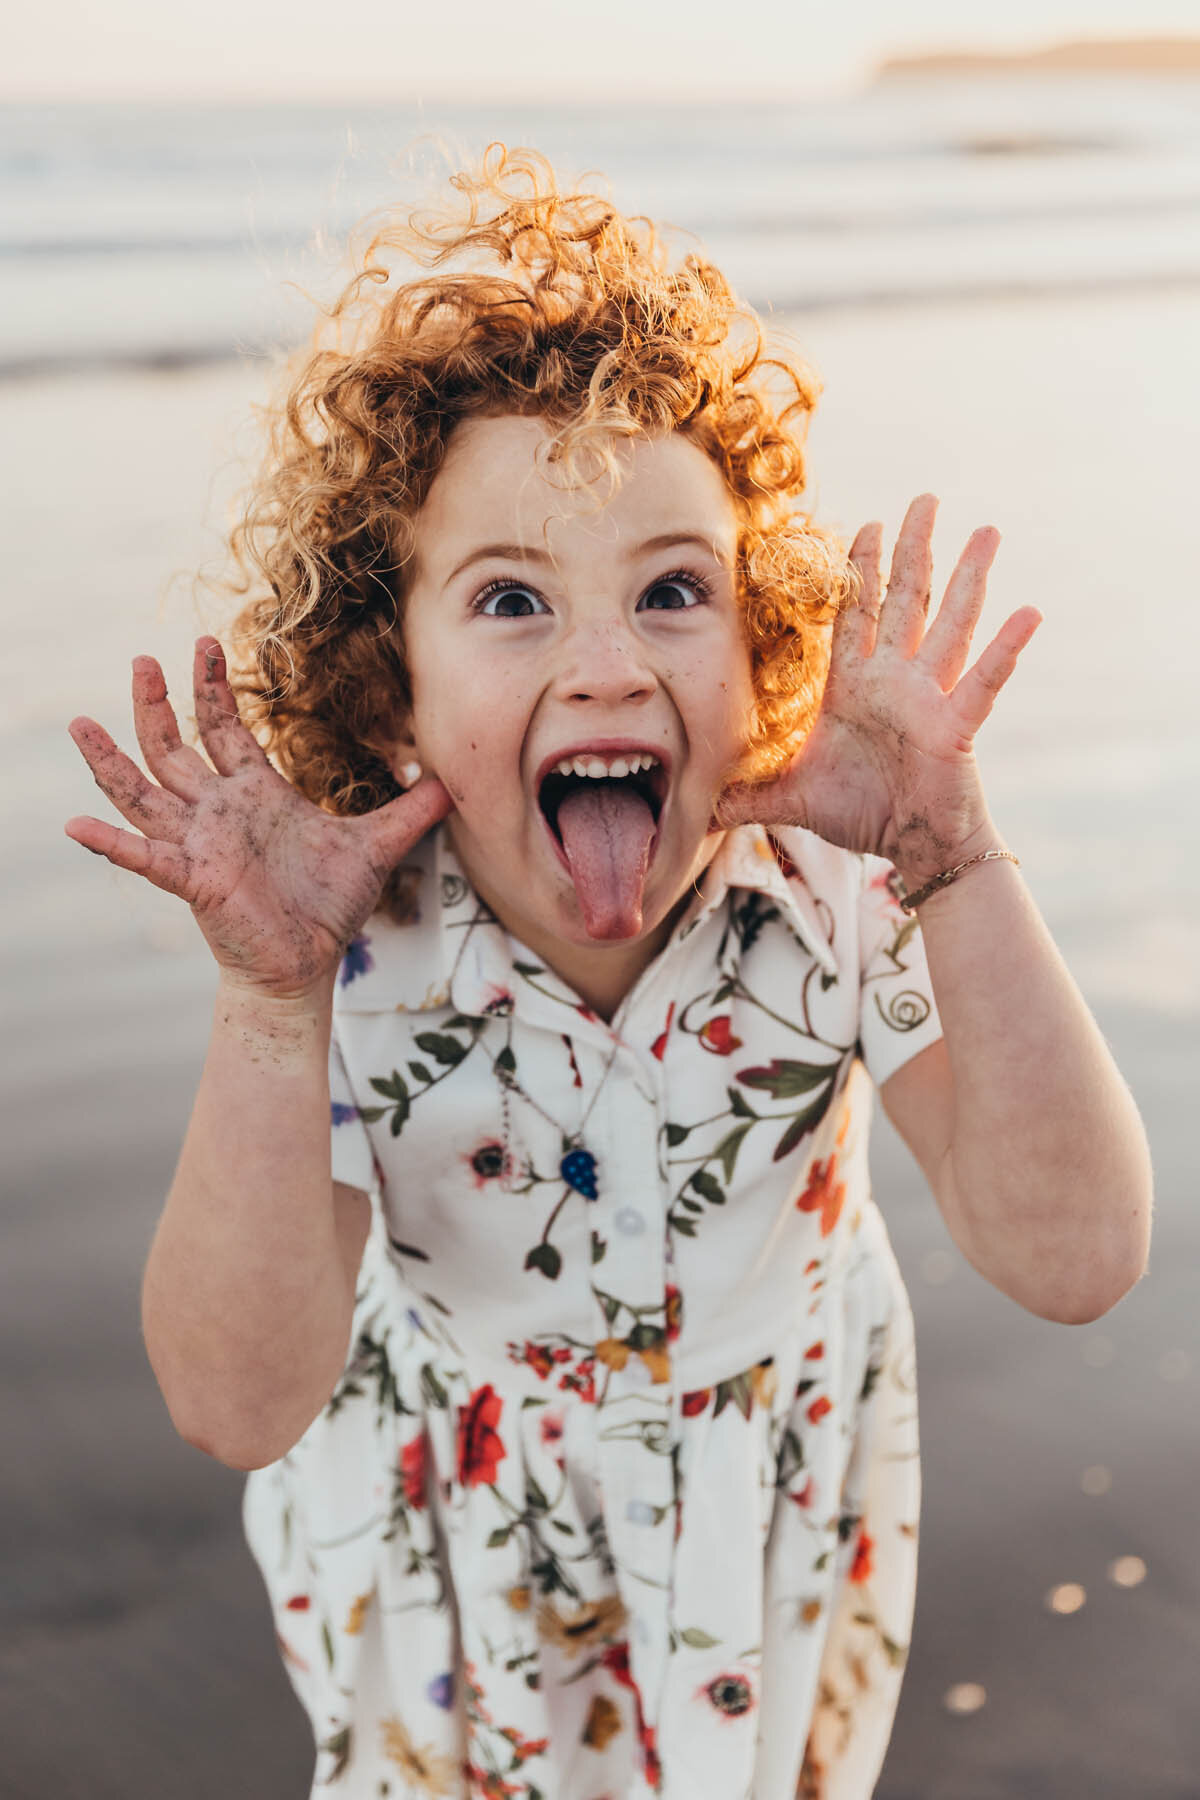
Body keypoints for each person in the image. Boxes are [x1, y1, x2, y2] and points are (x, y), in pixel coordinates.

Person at [64, 147, 1152, 1800]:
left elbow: (1076, 1257)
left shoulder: (841, 893)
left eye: (672, 591)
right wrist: (268, 1002)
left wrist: (959, 860)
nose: (606, 660)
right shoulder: (342, 959)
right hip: (455, 1525)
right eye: (510, 599)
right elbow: (232, 1400)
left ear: (761, 641)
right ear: (387, 693)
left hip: (771, 1502)